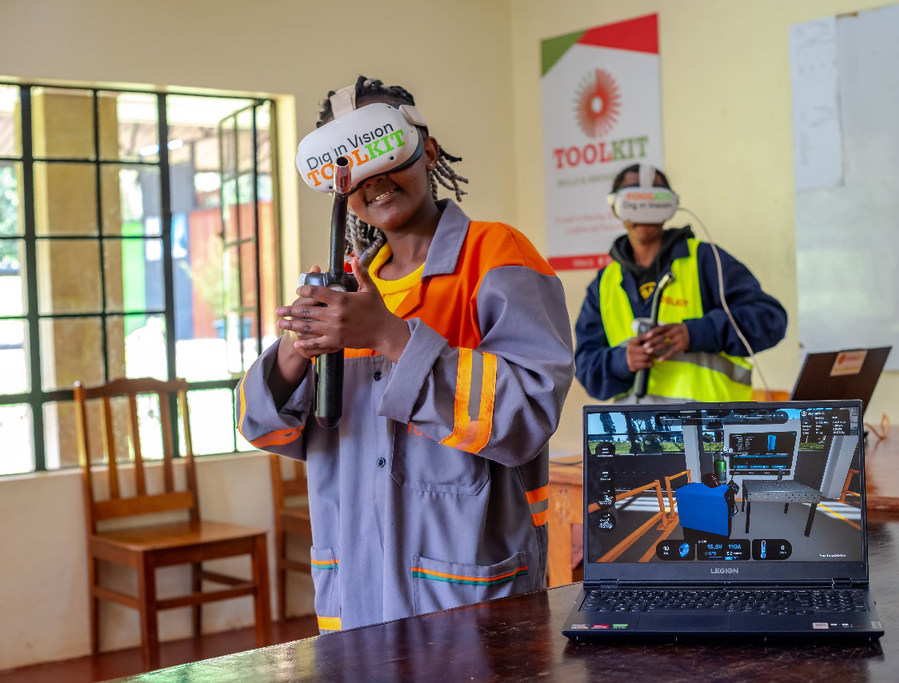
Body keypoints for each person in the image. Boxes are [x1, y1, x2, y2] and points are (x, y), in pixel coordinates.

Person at [235, 76, 574, 632]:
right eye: (352, 167)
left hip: (465, 596)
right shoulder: (343, 289)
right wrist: (297, 353)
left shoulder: (496, 256)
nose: (374, 178)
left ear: (428, 150)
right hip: (355, 591)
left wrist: (393, 337)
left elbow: (528, 417)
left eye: (382, 150)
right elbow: (262, 427)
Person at [574, 163, 787, 403]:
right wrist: (622, 361)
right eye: (634, 202)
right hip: (638, 434)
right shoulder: (604, 285)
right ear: (615, 208)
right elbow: (584, 367)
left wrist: (697, 332)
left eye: (653, 202)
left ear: (670, 206)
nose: (644, 211)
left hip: (711, 428)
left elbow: (770, 319)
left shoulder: (706, 261)